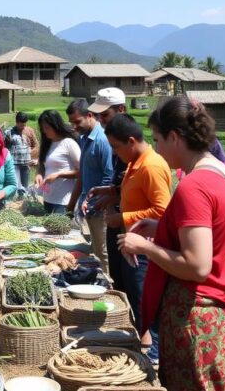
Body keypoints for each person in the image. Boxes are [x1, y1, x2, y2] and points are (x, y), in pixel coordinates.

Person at [118, 96, 225, 390]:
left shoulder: (194, 186)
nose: (156, 149)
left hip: (198, 317)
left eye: (158, 140)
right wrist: (164, 227)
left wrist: (145, 247)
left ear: (175, 137)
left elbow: (198, 266)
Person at [103, 114, 172, 343]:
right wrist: (110, 193)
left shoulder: (151, 166)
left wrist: (122, 217)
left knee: (144, 302)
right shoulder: (135, 163)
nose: (114, 153)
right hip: (133, 244)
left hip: (145, 249)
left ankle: (152, 352)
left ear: (131, 141)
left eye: (116, 147)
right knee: (134, 298)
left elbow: (162, 211)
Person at [87, 88, 130, 291]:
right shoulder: (115, 140)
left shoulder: (129, 144)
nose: (101, 120)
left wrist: (114, 200)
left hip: (130, 229)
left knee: (129, 283)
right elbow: (120, 184)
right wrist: (108, 192)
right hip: (116, 220)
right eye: (99, 116)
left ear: (121, 109)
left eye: (105, 115)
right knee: (117, 277)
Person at [67, 99, 114, 272]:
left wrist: (93, 201)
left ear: (89, 115)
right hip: (90, 207)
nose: (74, 126)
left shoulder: (102, 141)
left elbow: (109, 177)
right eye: (72, 122)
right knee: (95, 250)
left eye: (77, 122)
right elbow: (83, 174)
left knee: (102, 252)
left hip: (100, 208)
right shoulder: (84, 139)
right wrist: (73, 204)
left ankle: (108, 287)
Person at [35, 110, 81, 214]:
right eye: (42, 128)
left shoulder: (69, 143)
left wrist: (59, 174)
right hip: (48, 199)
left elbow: (81, 171)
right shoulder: (47, 144)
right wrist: (39, 174)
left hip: (64, 201)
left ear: (56, 125)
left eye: (47, 128)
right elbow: (43, 166)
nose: (44, 131)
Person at [3, 111, 39, 192]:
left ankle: (24, 203)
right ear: (16, 122)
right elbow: (4, 149)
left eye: (24, 124)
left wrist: (29, 153)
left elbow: (36, 146)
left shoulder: (29, 131)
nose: (23, 127)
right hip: (14, 164)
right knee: (16, 186)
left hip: (26, 164)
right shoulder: (9, 132)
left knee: (25, 187)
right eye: (21, 125)